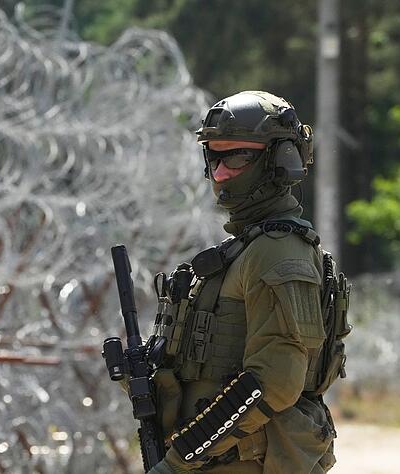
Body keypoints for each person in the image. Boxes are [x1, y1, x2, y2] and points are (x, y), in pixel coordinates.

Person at [143, 91, 348, 473]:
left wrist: (182, 457)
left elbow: (274, 382)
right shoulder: (243, 251)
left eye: (236, 156)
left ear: (281, 160)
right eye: (214, 156)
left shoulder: (279, 253)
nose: (219, 173)